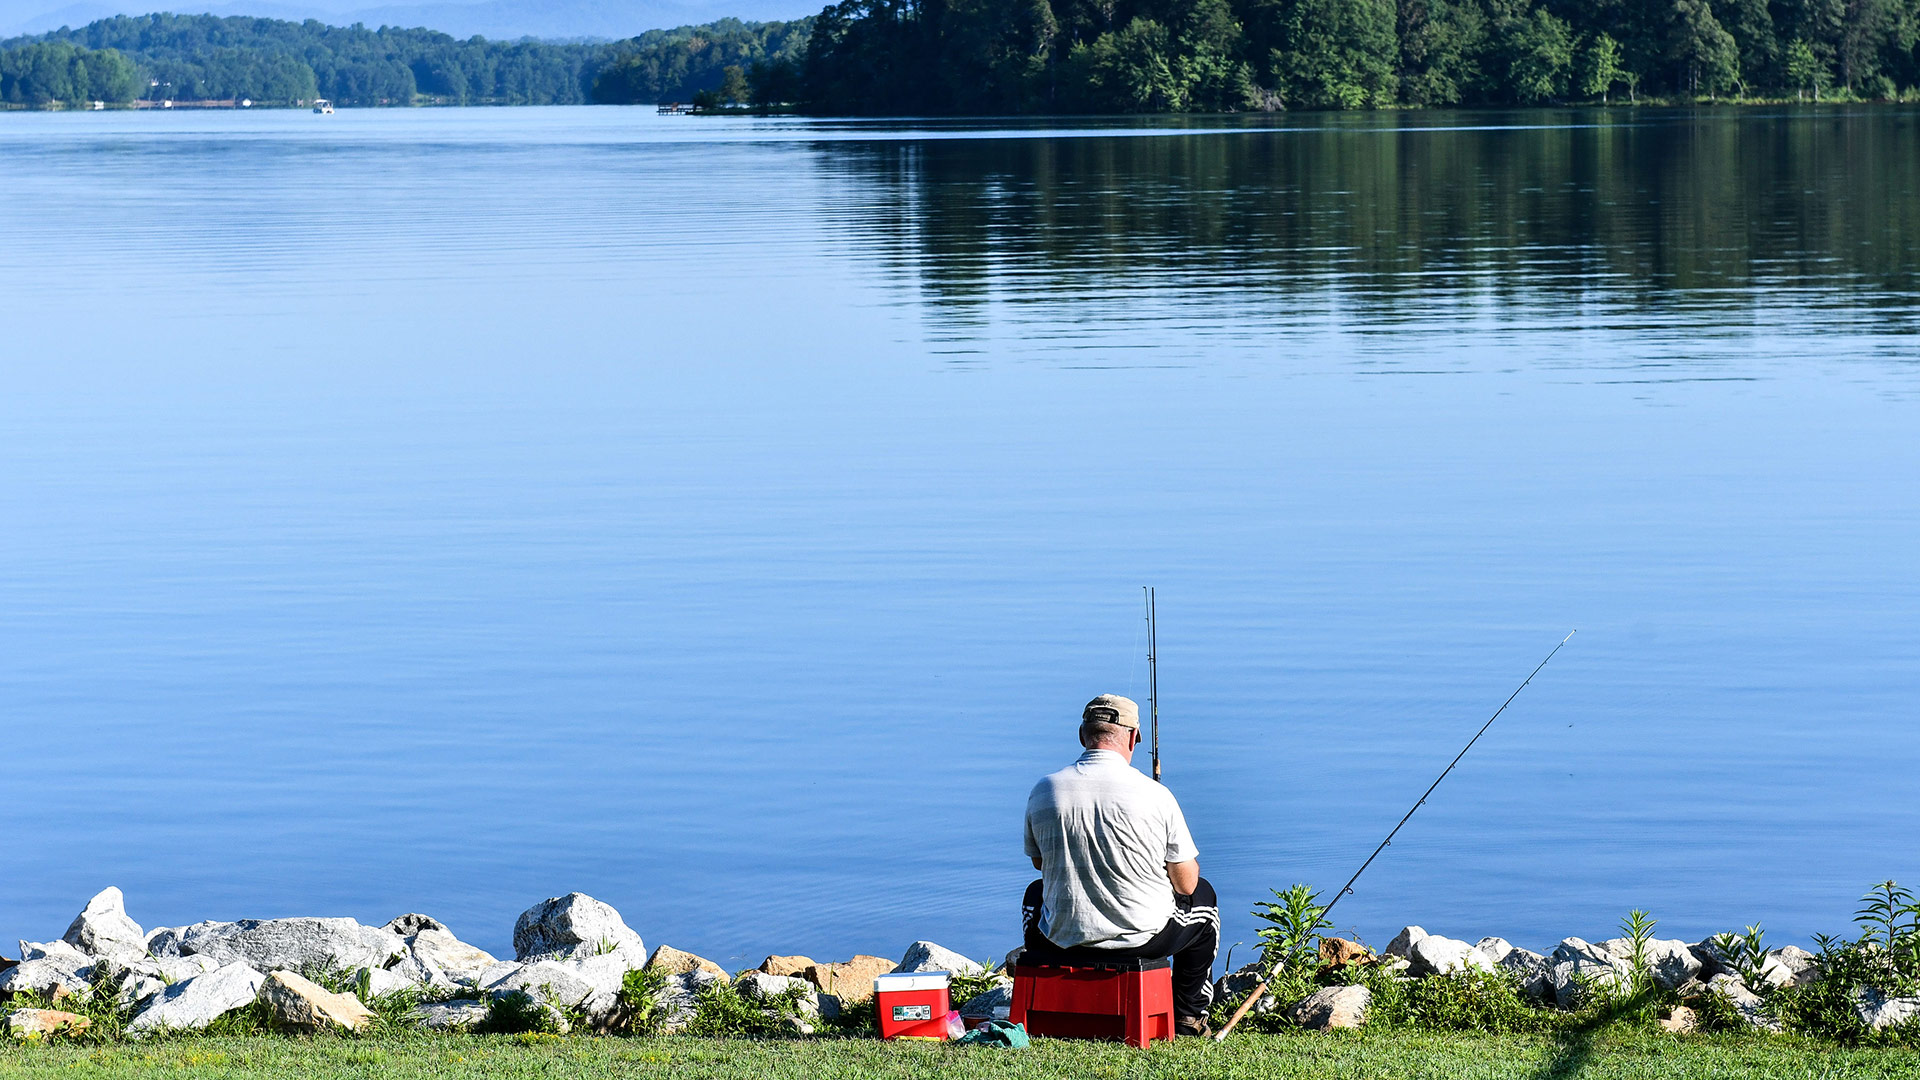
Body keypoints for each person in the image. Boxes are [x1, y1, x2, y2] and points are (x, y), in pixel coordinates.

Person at [1021, 693, 1219, 1036]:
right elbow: (1186, 884)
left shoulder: (1044, 790)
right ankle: (1187, 1015)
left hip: (1060, 938)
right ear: (1133, 737)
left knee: (1034, 893)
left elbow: (1041, 863)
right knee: (1205, 901)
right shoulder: (1156, 796)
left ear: (1082, 735)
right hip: (1140, 939)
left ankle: (1049, 986)